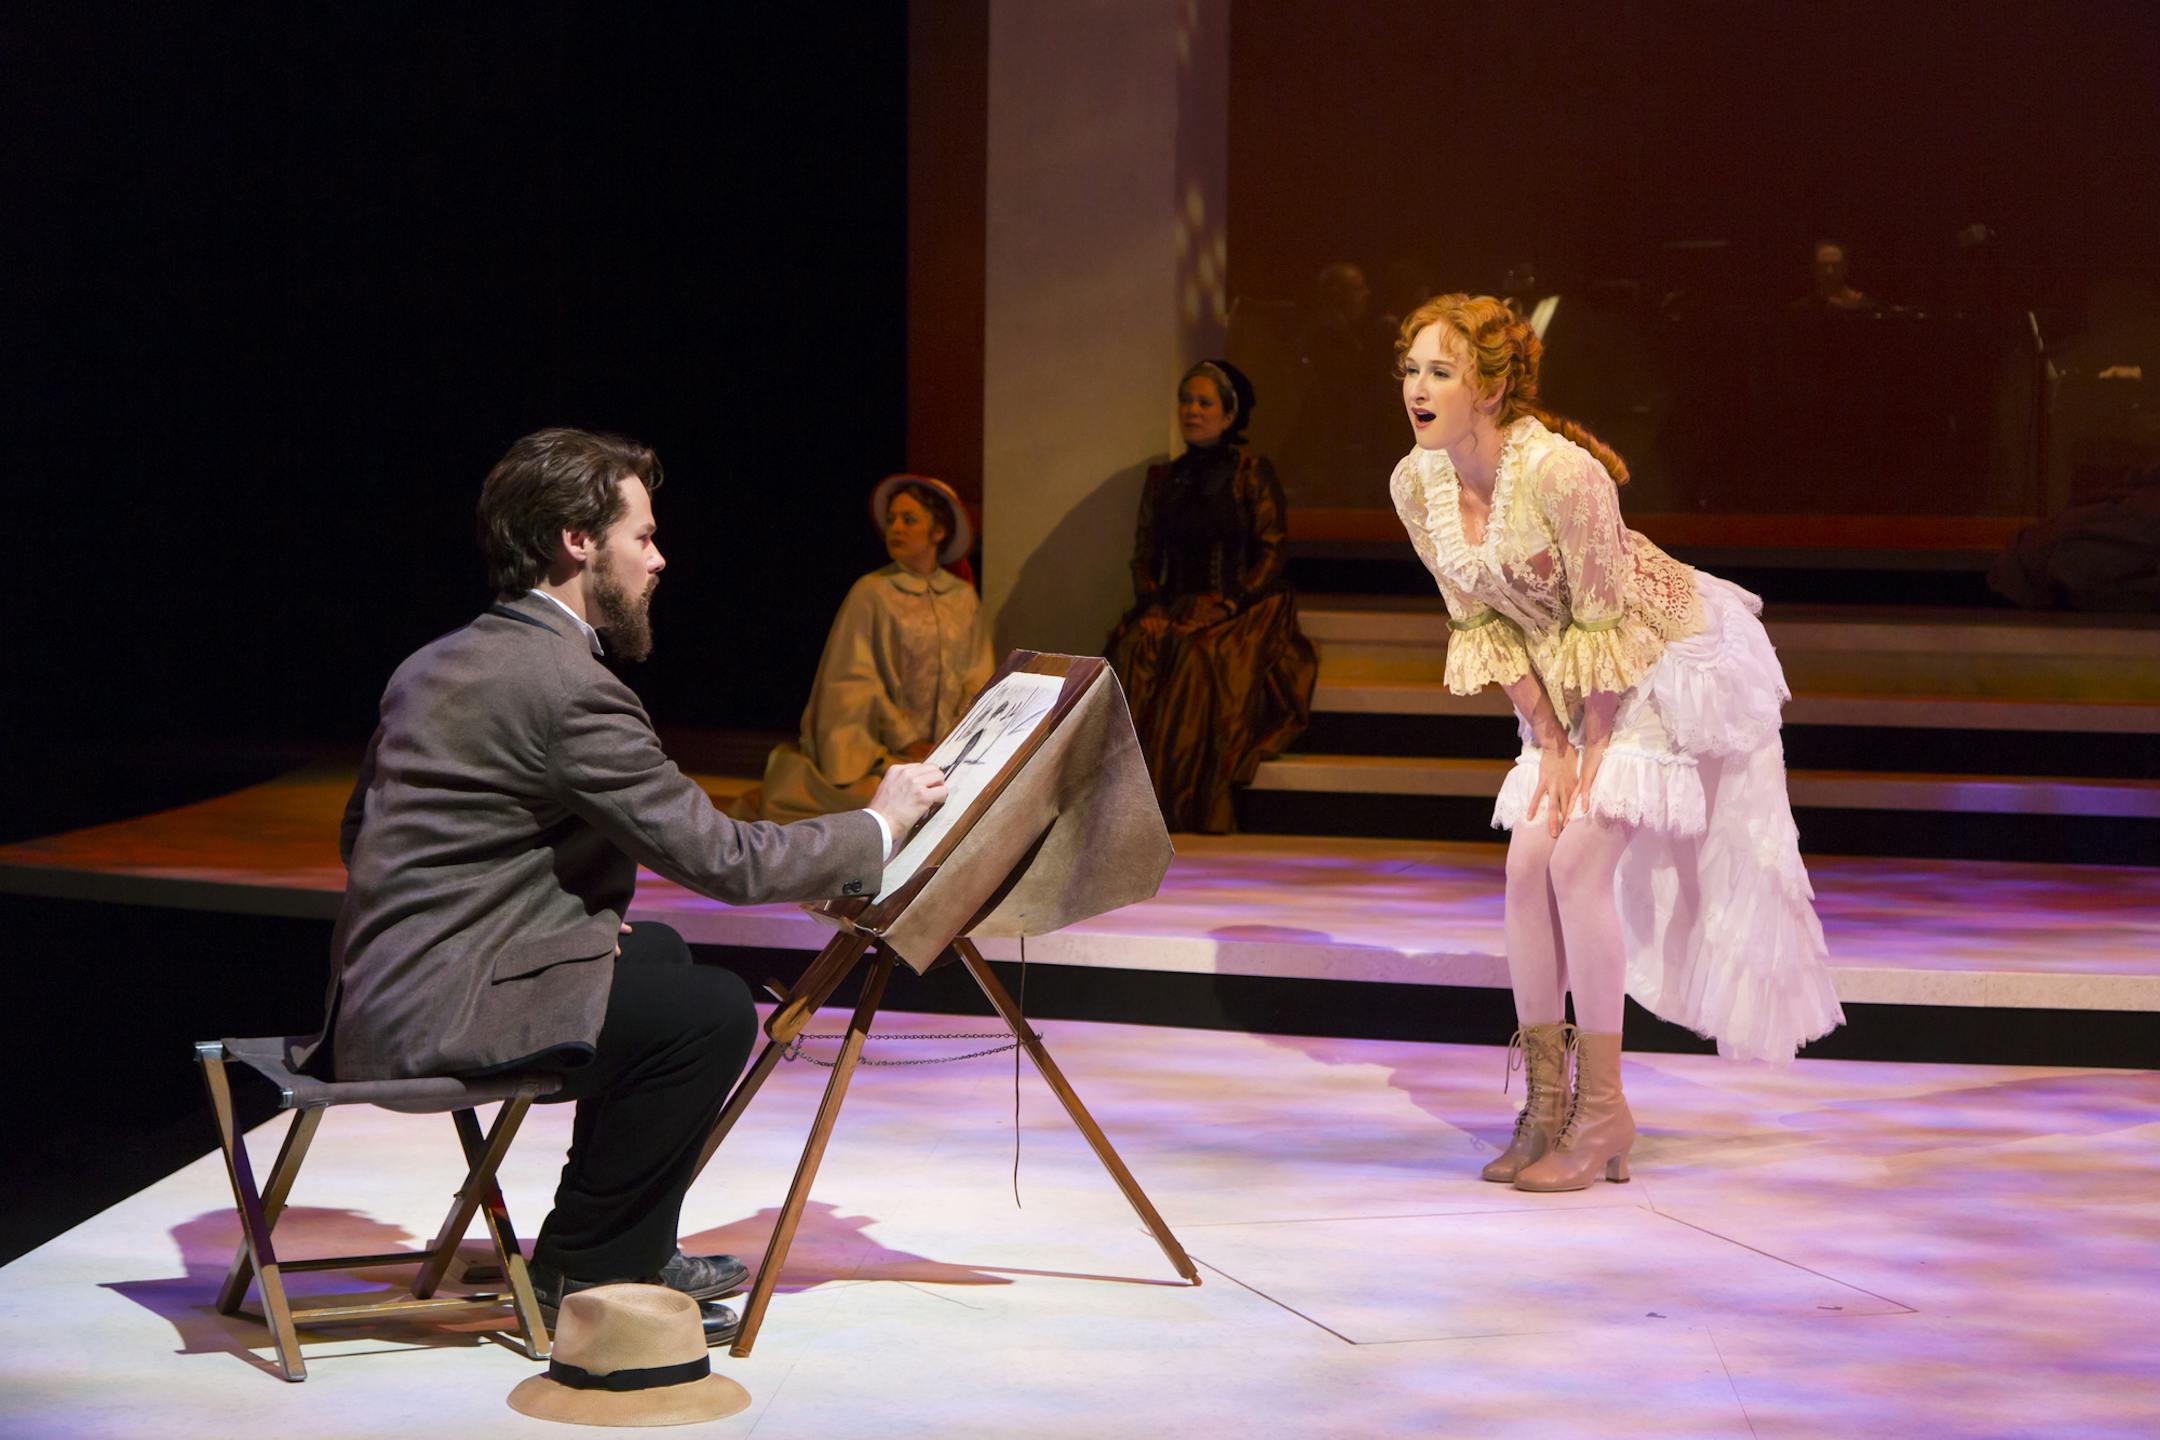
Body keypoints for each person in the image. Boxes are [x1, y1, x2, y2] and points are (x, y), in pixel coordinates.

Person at [290, 428, 947, 1342]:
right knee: (708, 1012)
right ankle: (589, 1270)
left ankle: (620, 1239)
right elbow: (725, 860)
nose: (659, 558)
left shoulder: (435, 660)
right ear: (576, 541)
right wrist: (881, 823)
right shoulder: (567, 686)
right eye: (643, 536)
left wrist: (554, 928)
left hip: (378, 1001)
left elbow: (358, 835)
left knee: (663, 958)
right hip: (439, 1019)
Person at [1387, 296, 1843, 1191]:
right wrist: (1549, 738)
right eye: (1409, 369)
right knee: (1525, 866)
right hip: (1565, 685)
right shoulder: (1417, 483)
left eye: (1440, 371)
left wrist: (1590, 743)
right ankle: (1547, 1106)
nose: (1417, 388)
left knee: (1575, 864)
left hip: (1657, 666)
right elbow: (1478, 622)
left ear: (1491, 385)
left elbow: (1606, 620)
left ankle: (1603, 1114)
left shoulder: (1562, 475)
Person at [1105, 359, 1318, 832]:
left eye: (1204, 403)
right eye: (1186, 401)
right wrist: (1155, 606)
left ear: (1228, 416)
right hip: (1175, 605)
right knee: (1135, 647)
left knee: (1199, 659)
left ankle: (1184, 807)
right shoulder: (1164, 479)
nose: (1192, 410)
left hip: (1241, 607)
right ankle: (1127, 810)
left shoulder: (1251, 473)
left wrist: (1229, 603)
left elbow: (1271, 548)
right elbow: (1144, 554)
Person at [732, 474, 995, 823]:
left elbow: (979, 675)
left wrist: (955, 737)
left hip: (947, 747)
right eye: (891, 520)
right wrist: (907, 739)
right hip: (882, 751)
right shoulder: (873, 592)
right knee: (870, 804)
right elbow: (854, 680)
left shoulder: (962, 598)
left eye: (909, 519)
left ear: (938, 532)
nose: (896, 528)